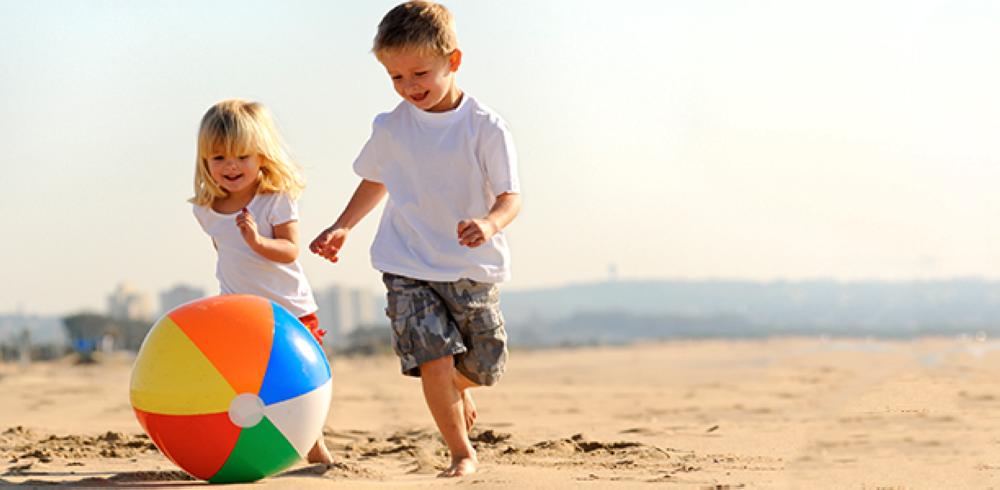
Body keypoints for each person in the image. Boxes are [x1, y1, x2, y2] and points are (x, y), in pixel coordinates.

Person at [309, 2, 521, 477]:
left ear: (454, 61)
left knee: (487, 363)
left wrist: (488, 224)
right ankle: (461, 451)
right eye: (396, 78)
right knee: (434, 359)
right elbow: (376, 179)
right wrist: (343, 225)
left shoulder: (484, 128)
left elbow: (511, 197)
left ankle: (456, 387)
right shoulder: (392, 126)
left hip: (470, 265)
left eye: (420, 73)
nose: (410, 87)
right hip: (406, 262)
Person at [190, 99, 333, 465]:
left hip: (290, 309)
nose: (230, 166)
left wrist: (257, 242)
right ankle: (248, 446)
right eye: (218, 157)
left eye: (242, 156)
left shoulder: (274, 200)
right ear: (204, 161)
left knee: (300, 382)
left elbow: (289, 250)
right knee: (247, 385)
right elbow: (224, 253)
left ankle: (314, 445)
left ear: (262, 156)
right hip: (241, 314)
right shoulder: (205, 209)